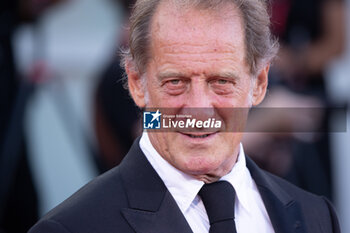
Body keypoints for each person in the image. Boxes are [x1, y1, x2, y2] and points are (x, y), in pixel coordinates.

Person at [28, 0, 341, 232]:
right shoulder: (71, 227)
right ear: (136, 84)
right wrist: (269, 122)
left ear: (259, 83)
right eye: (175, 82)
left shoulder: (318, 217)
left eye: (221, 81)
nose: (198, 105)